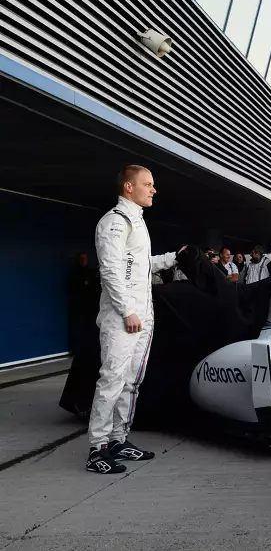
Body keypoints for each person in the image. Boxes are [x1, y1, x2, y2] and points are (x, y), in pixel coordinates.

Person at [86, 165, 185, 475]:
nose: (153, 190)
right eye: (148, 184)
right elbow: (111, 271)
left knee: (130, 383)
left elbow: (142, 266)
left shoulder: (138, 223)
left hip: (142, 316)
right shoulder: (115, 222)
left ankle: (118, 440)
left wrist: (174, 258)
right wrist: (127, 310)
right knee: (112, 380)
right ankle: (97, 449)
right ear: (129, 187)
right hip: (122, 318)